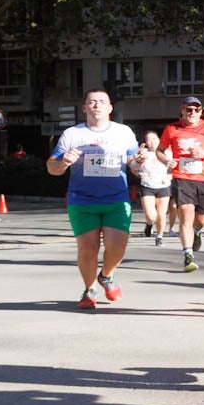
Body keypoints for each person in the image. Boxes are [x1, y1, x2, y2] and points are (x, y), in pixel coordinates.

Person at [46, 90, 146, 309]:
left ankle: (107, 275)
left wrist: (139, 163)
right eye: (91, 102)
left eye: (102, 102)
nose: (96, 105)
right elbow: (52, 168)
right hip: (82, 200)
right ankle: (90, 289)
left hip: (116, 199)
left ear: (110, 108)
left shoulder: (123, 132)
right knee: (87, 249)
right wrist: (64, 162)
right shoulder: (72, 134)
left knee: (116, 247)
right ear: (84, 108)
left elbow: (134, 164)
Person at [157, 97, 204, 273]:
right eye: (189, 109)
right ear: (182, 110)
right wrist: (166, 161)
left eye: (196, 109)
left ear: (201, 111)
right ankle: (188, 255)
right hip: (182, 177)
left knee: (199, 220)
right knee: (185, 214)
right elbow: (160, 151)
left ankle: (198, 232)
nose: (192, 113)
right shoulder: (172, 129)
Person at [135, 131, 172, 246]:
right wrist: (138, 174)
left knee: (161, 214)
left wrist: (169, 177)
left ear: (159, 140)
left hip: (163, 186)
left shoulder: (167, 152)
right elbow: (133, 168)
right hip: (147, 185)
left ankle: (159, 236)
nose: (152, 142)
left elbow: (172, 168)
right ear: (145, 142)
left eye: (154, 139)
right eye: (149, 140)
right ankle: (149, 223)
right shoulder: (143, 153)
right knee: (151, 215)